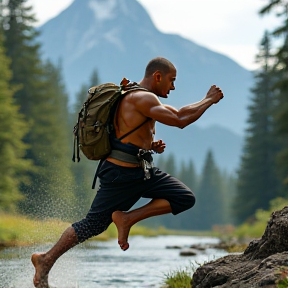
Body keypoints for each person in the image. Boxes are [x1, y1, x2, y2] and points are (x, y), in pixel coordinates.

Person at [31, 57, 224, 287]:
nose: (173, 87)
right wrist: (209, 100)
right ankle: (46, 260)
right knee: (93, 224)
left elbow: (128, 131)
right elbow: (180, 119)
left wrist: (149, 145)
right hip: (120, 176)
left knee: (184, 198)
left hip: (140, 171)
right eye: (171, 81)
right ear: (158, 76)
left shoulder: (131, 94)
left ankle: (126, 219)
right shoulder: (142, 98)